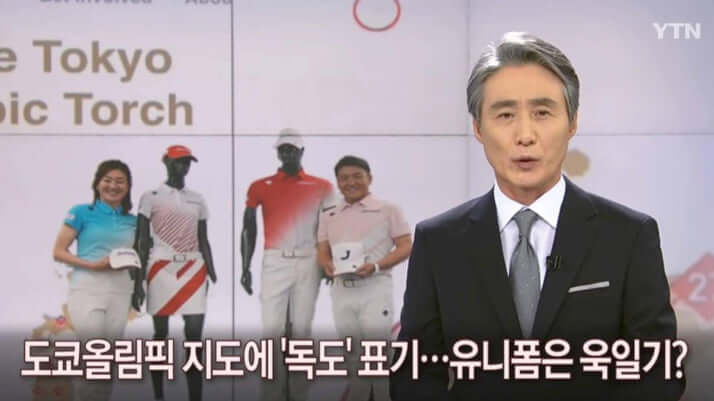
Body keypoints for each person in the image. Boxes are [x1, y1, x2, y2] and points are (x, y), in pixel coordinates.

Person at [390, 32, 685, 401]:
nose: (525, 135)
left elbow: (657, 373)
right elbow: (414, 375)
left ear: (572, 122)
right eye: (505, 115)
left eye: (542, 113)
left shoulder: (628, 236)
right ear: (478, 128)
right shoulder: (439, 242)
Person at [240, 129, 333, 401]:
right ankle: (272, 393)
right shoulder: (260, 186)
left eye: (292, 149)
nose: (287, 153)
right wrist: (245, 266)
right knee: (272, 328)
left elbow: (331, 226)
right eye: (283, 149)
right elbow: (248, 229)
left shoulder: (321, 186)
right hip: (275, 259)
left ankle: (298, 393)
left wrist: (328, 260)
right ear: (278, 153)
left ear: (302, 151)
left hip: (308, 260)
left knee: (301, 329)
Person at [317, 156, 412, 401]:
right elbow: (322, 249)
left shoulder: (388, 210)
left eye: (357, 176)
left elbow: (405, 245)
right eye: (344, 178)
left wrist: (377, 266)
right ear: (337, 182)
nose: (351, 182)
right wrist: (326, 264)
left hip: (374, 288)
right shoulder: (329, 214)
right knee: (353, 358)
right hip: (341, 291)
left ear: (369, 178)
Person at [52, 159, 140, 401]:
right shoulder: (82, 212)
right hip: (87, 289)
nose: (113, 186)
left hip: (120, 292)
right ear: (97, 183)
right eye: (107, 180)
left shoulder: (133, 221)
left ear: (128, 187)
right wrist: (93, 265)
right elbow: (58, 251)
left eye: (120, 181)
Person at [134, 145, 217, 401]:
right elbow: (141, 241)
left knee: (194, 337)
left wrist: (210, 270)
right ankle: (159, 396)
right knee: (161, 335)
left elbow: (203, 238)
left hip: (193, 266)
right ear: (166, 162)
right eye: (178, 161)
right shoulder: (151, 196)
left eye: (187, 162)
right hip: (161, 266)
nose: (183, 166)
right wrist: (138, 281)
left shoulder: (197, 198)